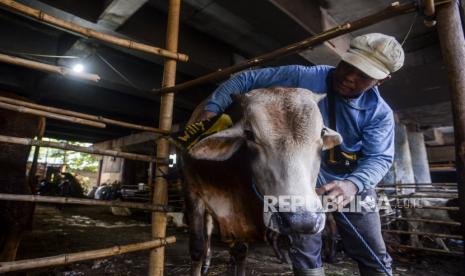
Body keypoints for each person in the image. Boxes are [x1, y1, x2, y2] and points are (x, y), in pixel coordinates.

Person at [177, 33, 404, 276]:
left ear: (382, 80)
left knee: (372, 249)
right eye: (348, 65)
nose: (349, 77)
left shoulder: (379, 114)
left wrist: (353, 184)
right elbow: (244, 79)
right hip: (300, 178)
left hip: (350, 181)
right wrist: (211, 110)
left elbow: (380, 158)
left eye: (363, 75)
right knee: (305, 250)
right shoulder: (307, 75)